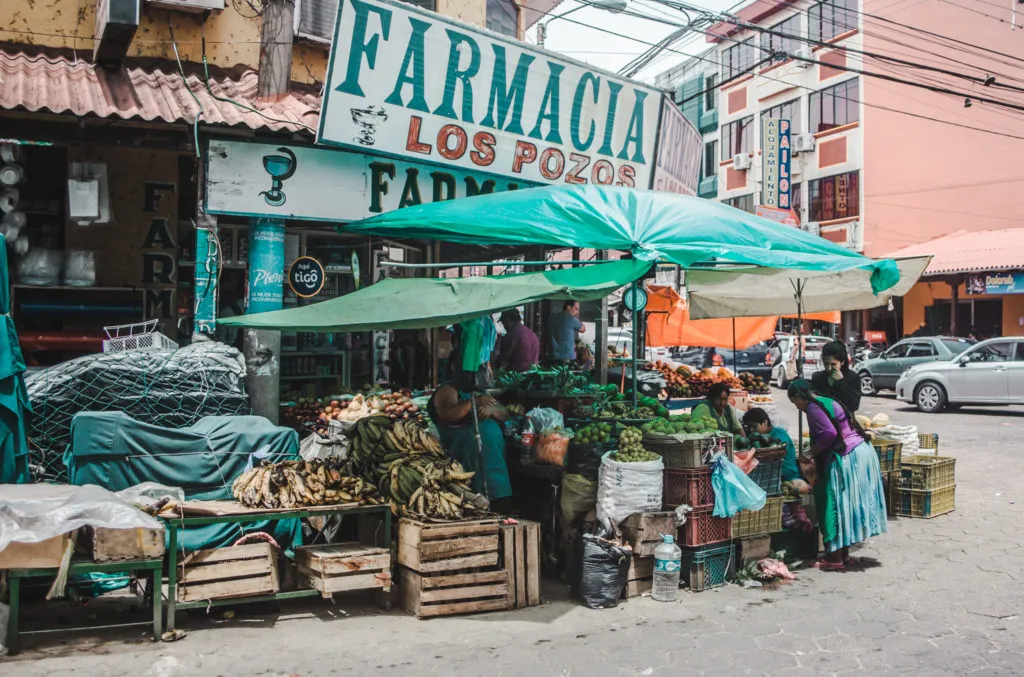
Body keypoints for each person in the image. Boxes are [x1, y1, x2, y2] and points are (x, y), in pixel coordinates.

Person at [787, 379, 887, 571]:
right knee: (846, 505)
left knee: (835, 505)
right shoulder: (828, 400)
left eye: (795, 403)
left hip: (848, 457)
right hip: (861, 451)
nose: (798, 407)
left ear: (799, 397)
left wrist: (808, 454)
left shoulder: (813, 408)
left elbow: (828, 435)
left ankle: (834, 558)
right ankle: (844, 555)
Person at [426, 367, 512, 511]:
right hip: (469, 467)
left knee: (501, 511)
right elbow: (447, 414)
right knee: (475, 509)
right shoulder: (448, 390)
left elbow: (504, 413)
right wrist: (473, 403)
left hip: (494, 468)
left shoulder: (480, 391)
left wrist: (492, 410)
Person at [741, 408, 798, 482]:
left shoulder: (779, 433)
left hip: (789, 478)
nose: (751, 430)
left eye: (754, 426)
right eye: (749, 427)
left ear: (765, 422)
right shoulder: (755, 438)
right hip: (769, 478)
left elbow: (777, 449)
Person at [810, 340, 861, 413]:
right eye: (826, 364)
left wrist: (841, 382)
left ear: (842, 362)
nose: (829, 368)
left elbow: (854, 405)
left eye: (833, 364)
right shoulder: (817, 377)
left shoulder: (853, 378)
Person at [547, 300, 585, 365]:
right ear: (568, 307)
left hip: (552, 357)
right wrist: (576, 318)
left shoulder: (552, 318)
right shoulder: (572, 319)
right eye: (576, 309)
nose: (577, 312)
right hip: (566, 358)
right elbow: (583, 329)